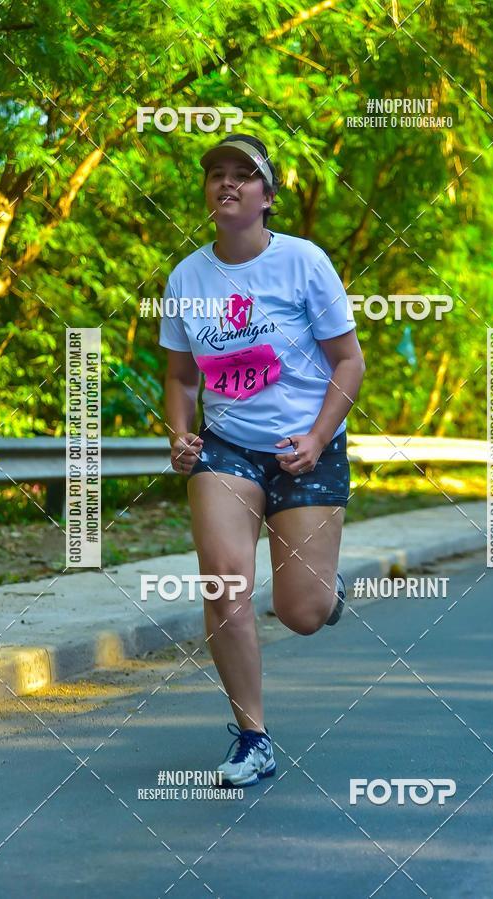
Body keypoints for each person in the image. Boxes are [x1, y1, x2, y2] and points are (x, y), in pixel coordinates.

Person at [159, 134, 365, 786]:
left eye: (243, 176)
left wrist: (317, 435)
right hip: (228, 450)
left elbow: (349, 361)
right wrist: (181, 433)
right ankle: (254, 737)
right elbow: (181, 376)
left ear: (267, 196)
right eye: (216, 175)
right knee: (224, 584)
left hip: (307, 446)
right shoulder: (187, 277)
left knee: (300, 613)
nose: (227, 184)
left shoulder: (304, 263)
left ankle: (325, 592)